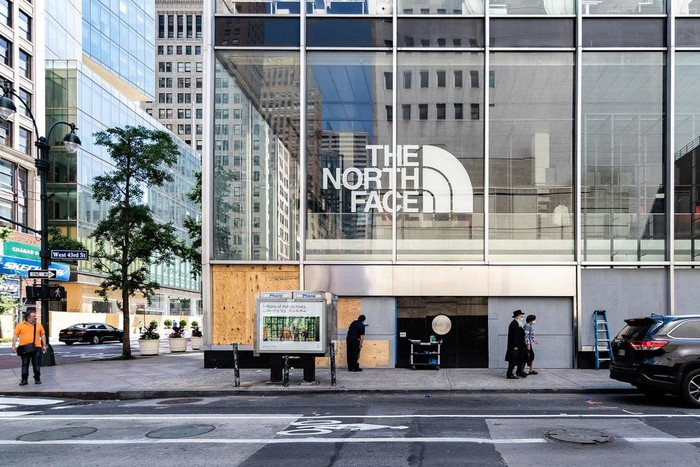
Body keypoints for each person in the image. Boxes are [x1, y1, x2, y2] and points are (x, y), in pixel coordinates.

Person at [11, 310, 47, 386]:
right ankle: (24, 379)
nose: (35, 317)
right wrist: (13, 345)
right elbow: (15, 336)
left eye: (35, 316)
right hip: (24, 348)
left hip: (37, 348)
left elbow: (43, 335)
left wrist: (44, 345)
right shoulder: (20, 325)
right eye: (34, 316)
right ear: (28, 318)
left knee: (36, 363)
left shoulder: (39, 325)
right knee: (25, 364)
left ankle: (37, 378)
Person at [505, 310, 527, 379]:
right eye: (521, 315)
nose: (522, 316)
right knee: (513, 360)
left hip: (520, 345)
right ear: (517, 316)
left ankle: (519, 372)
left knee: (520, 359)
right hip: (515, 346)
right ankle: (509, 374)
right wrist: (515, 346)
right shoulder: (514, 324)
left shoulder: (518, 323)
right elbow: (514, 336)